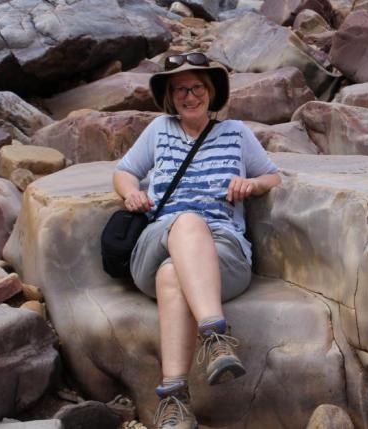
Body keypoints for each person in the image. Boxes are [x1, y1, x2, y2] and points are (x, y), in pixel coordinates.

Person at [112, 52, 281, 429]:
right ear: (170, 97)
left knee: (173, 275)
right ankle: (215, 336)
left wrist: (251, 184)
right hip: (157, 244)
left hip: (223, 253)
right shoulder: (158, 130)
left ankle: (174, 400)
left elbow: (272, 176)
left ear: (211, 91)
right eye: (180, 90)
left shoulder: (236, 133)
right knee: (186, 222)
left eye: (197, 87)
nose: (189, 96)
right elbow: (124, 171)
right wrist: (130, 194)